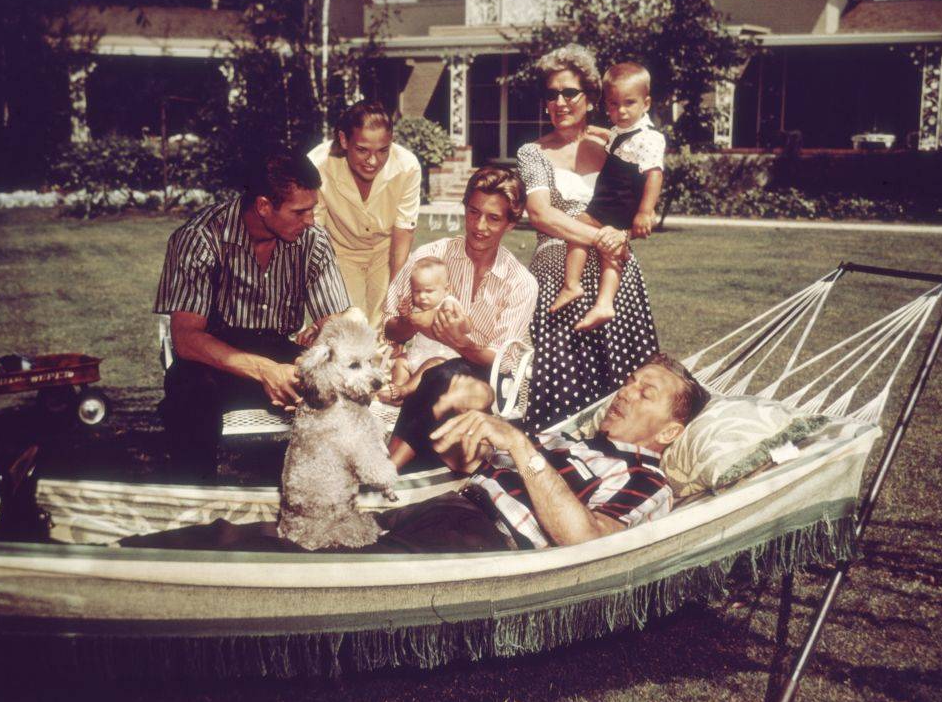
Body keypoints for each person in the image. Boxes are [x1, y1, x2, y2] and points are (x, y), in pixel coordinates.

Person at [121, 354, 709, 553]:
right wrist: (464, 434)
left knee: (308, 566)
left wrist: (517, 441)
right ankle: (135, 556)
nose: (625, 392)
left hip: (479, 538)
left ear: (668, 432)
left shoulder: (644, 479)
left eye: (645, 392)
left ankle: (132, 569)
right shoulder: (574, 442)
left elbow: (588, 539)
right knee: (291, 539)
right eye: (630, 381)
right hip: (445, 509)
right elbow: (470, 466)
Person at [153, 150, 350, 482]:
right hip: (213, 356)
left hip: (277, 348)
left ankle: (328, 493)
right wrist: (264, 371)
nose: (311, 221)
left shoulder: (312, 242)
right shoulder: (199, 238)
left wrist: (324, 345)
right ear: (263, 206)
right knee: (189, 392)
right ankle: (193, 500)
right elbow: (186, 340)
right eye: (300, 211)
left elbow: (335, 322)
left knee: (341, 381)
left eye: (312, 210)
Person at [517, 44, 659, 434]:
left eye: (569, 93)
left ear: (591, 97)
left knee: (629, 385)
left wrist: (625, 231)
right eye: (551, 94)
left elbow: (640, 194)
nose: (560, 102)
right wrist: (601, 239)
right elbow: (542, 214)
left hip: (617, 275)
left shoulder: (616, 142)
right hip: (560, 273)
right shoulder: (533, 152)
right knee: (563, 378)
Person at [382, 166, 539, 472]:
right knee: (435, 374)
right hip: (423, 365)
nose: (479, 226)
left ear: (511, 223)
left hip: (482, 378)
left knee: (442, 374)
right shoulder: (431, 256)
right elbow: (389, 325)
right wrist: (415, 321)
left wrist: (458, 342)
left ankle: (388, 467)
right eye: (473, 212)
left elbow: (500, 361)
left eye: (493, 218)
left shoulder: (520, 282)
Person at [550, 62, 666, 331]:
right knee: (611, 252)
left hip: (619, 199)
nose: (620, 111)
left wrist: (645, 211)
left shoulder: (650, 138)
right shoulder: (621, 131)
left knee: (578, 226)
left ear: (646, 103)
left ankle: (572, 284)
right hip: (611, 198)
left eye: (629, 103)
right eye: (613, 105)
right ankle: (604, 303)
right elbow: (611, 137)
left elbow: (654, 174)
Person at [308, 101, 421, 329]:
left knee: (384, 332)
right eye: (362, 150)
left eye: (382, 151)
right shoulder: (318, 165)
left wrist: (396, 290)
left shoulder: (408, 167)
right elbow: (312, 232)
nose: (373, 161)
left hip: (386, 252)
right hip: (340, 253)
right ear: (343, 140)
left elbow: (403, 232)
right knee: (351, 329)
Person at [378, 257, 462, 404]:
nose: (422, 297)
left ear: (446, 290)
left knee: (432, 364)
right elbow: (407, 329)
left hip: (442, 359)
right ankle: (397, 391)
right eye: (417, 291)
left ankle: (404, 390)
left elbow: (455, 324)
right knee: (400, 361)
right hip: (418, 356)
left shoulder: (448, 304)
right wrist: (405, 317)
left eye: (429, 291)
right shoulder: (417, 309)